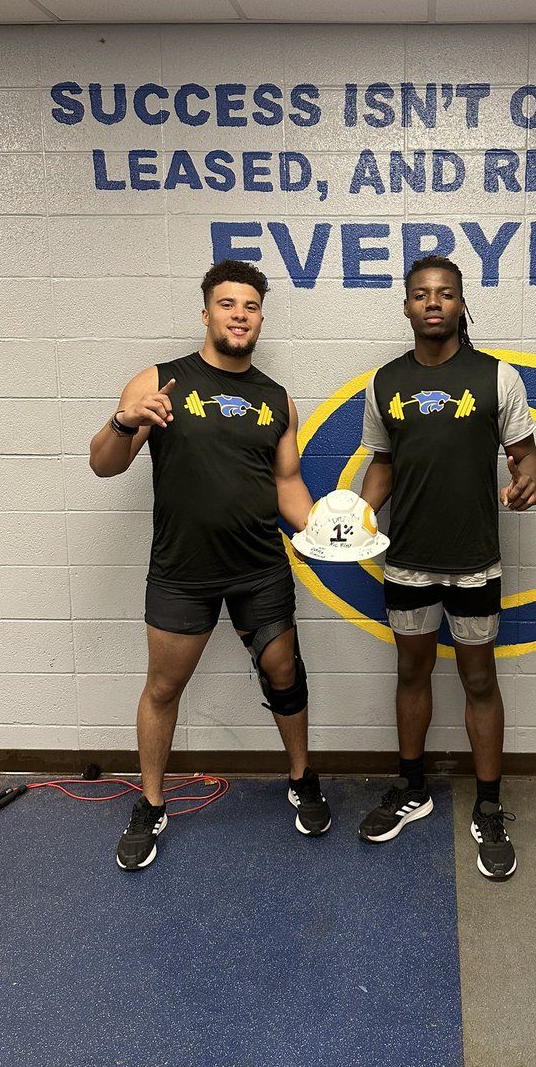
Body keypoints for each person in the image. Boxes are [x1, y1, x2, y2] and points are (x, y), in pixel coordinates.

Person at [89, 260, 331, 871]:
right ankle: (150, 803)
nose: (239, 315)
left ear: (260, 319)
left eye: (250, 307)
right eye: (227, 304)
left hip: (259, 569)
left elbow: (288, 485)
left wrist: (327, 530)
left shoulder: (277, 400)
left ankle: (302, 778)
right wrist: (126, 421)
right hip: (182, 572)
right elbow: (103, 464)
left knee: (286, 674)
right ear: (206, 313)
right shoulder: (159, 383)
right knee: (164, 687)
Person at [357, 255, 536, 880]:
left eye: (445, 294)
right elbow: (382, 463)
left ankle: (488, 805)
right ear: (406, 307)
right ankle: (413, 790)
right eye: (421, 294)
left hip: (473, 563)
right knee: (411, 673)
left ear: (462, 304)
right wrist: (355, 515)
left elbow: (526, 459)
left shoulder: (497, 378)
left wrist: (529, 480)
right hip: (407, 561)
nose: (433, 302)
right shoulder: (383, 383)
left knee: (479, 680)